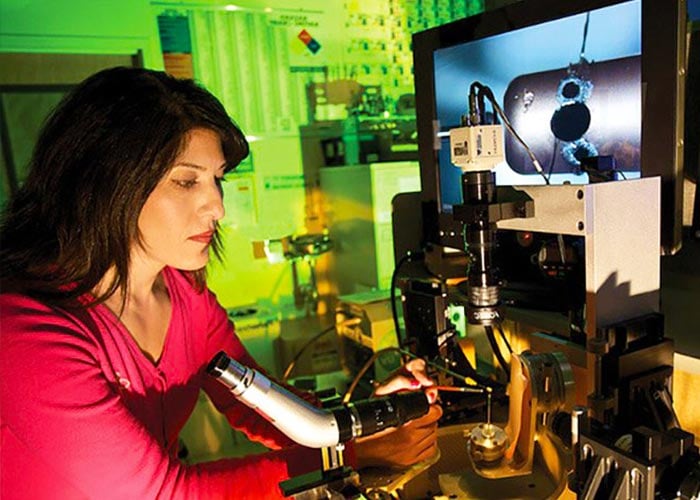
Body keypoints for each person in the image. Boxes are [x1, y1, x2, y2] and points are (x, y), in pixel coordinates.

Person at [0, 66, 442, 499]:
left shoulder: (185, 296)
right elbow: (165, 492)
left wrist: (371, 416)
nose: (217, 207)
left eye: (217, 180)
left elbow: (259, 406)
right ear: (106, 184)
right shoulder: (24, 332)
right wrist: (349, 457)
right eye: (186, 181)